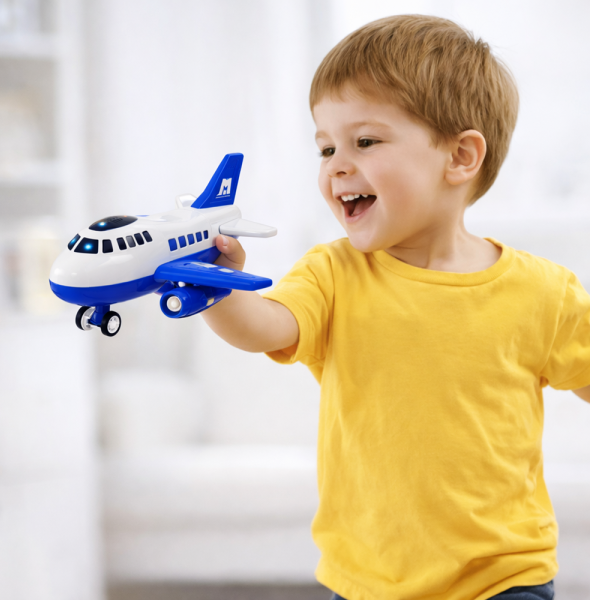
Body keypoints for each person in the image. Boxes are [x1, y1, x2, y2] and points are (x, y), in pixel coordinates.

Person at [202, 15, 590, 600]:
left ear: (460, 156)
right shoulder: (333, 274)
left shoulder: (544, 292)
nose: (336, 164)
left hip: (504, 578)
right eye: (326, 147)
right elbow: (264, 327)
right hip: (368, 582)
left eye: (365, 141)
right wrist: (216, 286)